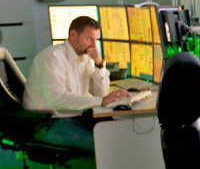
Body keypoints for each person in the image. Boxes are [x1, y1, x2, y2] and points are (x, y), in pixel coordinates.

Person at [23, 16, 129, 151]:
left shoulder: (84, 58)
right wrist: (101, 101)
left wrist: (99, 64)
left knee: (119, 134)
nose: (93, 45)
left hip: (73, 116)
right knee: (105, 145)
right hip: (48, 122)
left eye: (96, 40)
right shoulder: (53, 57)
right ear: (73, 35)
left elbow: (100, 93)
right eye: (89, 39)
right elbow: (56, 98)